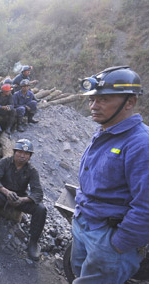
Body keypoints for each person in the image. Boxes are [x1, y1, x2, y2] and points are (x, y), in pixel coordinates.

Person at [71, 66, 149, 283]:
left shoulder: (141, 143)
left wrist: (118, 245)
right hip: (85, 223)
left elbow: (146, 206)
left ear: (130, 102)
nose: (94, 106)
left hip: (109, 237)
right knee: (80, 274)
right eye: (92, 100)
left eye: (103, 99)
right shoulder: (105, 133)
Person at [0, 139, 46, 261]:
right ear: (14, 152)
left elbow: (38, 192)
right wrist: (6, 192)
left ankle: (33, 243)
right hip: (3, 194)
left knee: (41, 209)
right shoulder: (5, 162)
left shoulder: (32, 170)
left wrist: (23, 200)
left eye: (26, 154)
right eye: (20, 152)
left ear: (30, 156)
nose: (23, 156)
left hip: (19, 199)